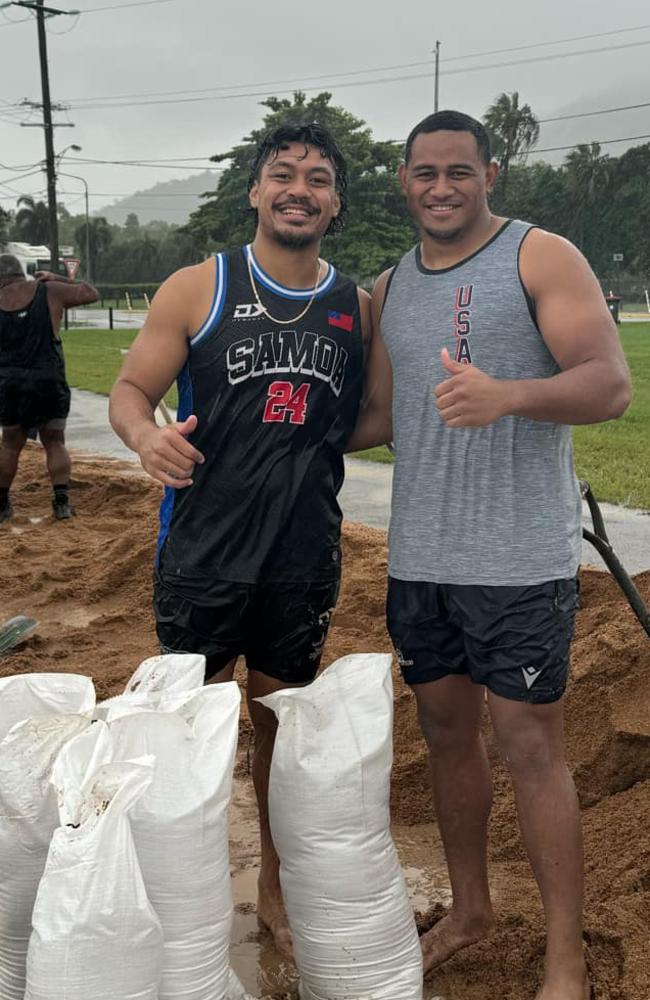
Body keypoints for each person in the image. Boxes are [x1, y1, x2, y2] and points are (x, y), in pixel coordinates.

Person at [347, 110, 631, 1000]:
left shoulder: (540, 255)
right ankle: (470, 913)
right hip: (422, 558)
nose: (441, 187)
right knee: (443, 736)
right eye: (424, 172)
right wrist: (259, 439)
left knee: (530, 745)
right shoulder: (390, 287)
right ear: (404, 180)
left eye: (458, 172)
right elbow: (384, 417)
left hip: (519, 558)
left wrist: (508, 394)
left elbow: (609, 384)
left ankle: (563, 957)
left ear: (490, 174)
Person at [109, 123, 369, 960]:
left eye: (319, 178)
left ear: (335, 202)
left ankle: (273, 894)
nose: (300, 188)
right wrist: (146, 437)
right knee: (186, 729)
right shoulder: (200, 286)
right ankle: (182, 902)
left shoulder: (355, 307)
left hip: (301, 556)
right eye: (284, 174)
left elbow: (375, 419)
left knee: (281, 733)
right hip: (203, 553)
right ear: (256, 191)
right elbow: (129, 390)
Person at [0, 254, 98, 522]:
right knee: (54, 441)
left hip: (10, 383)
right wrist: (58, 277)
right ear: (23, 272)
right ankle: (61, 503)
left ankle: (2, 505)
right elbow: (90, 293)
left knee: (9, 444)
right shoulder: (49, 290)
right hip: (48, 379)